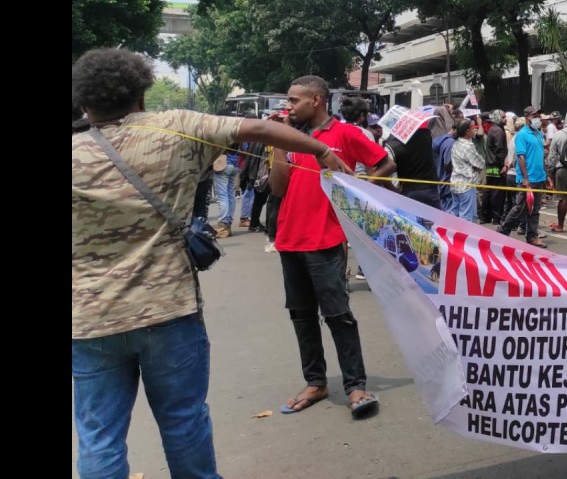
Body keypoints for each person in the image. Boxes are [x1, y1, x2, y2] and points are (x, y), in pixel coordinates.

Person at [72, 50, 355, 479]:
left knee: (99, 437)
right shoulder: (177, 126)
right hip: (169, 312)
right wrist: (321, 150)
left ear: (84, 104)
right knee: (183, 420)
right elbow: (261, 129)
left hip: (89, 322)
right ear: (142, 96)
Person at [269, 76, 396, 419]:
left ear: (316, 100)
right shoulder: (289, 136)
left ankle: (355, 385)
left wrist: (362, 188)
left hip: (326, 240)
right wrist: (278, 142)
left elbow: (386, 163)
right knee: (301, 316)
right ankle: (316, 382)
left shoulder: (345, 134)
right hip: (289, 240)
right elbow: (278, 188)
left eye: (294, 100)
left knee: (338, 315)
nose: (289, 106)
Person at [498, 106, 549, 248]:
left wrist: (547, 174)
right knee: (520, 208)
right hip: (528, 179)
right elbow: (521, 158)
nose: (538, 118)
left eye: (538, 115)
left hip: (539, 177)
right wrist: (525, 178)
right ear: (527, 117)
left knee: (535, 209)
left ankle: (531, 236)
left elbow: (541, 156)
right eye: (535, 115)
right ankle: (503, 230)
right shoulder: (522, 135)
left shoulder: (539, 134)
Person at [449, 119, 486, 222]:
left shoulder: (456, 143)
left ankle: (453, 236)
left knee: (455, 214)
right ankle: (463, 237)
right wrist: (475, 167)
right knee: (466, 217)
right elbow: (480, 163)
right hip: (466, 184)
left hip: (455, 183)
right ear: (467, 131)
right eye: (473, 128)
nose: (475, 129)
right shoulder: (468, 146)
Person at [481, 110, 508, 224]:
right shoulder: (498, 131)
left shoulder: (493, 129)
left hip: (490, 164)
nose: (505, 119)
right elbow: (500, 150)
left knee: (489, 190)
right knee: (498, 192)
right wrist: (503, 165)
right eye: (503, 117)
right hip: (496, 165)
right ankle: (497, 217)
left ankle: (485, 216)